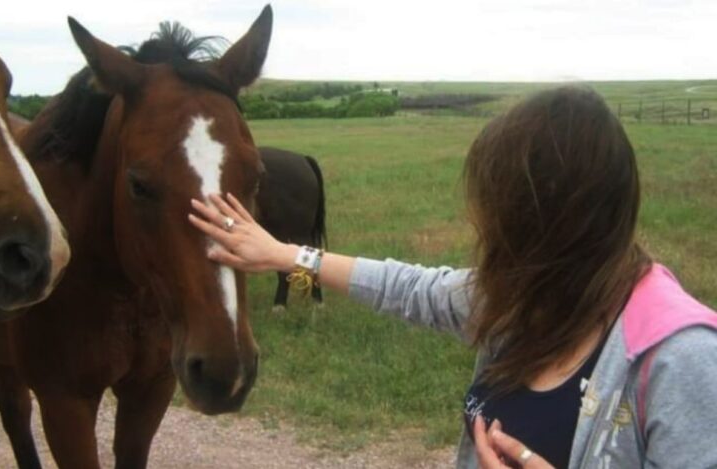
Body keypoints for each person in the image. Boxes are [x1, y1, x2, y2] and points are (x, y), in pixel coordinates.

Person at [188, 86, 717, 468]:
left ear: (544, 221)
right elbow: (409, 288)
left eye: (497, 210)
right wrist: (287, 255)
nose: (482, 226)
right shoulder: (526, 300)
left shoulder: (679, 360)